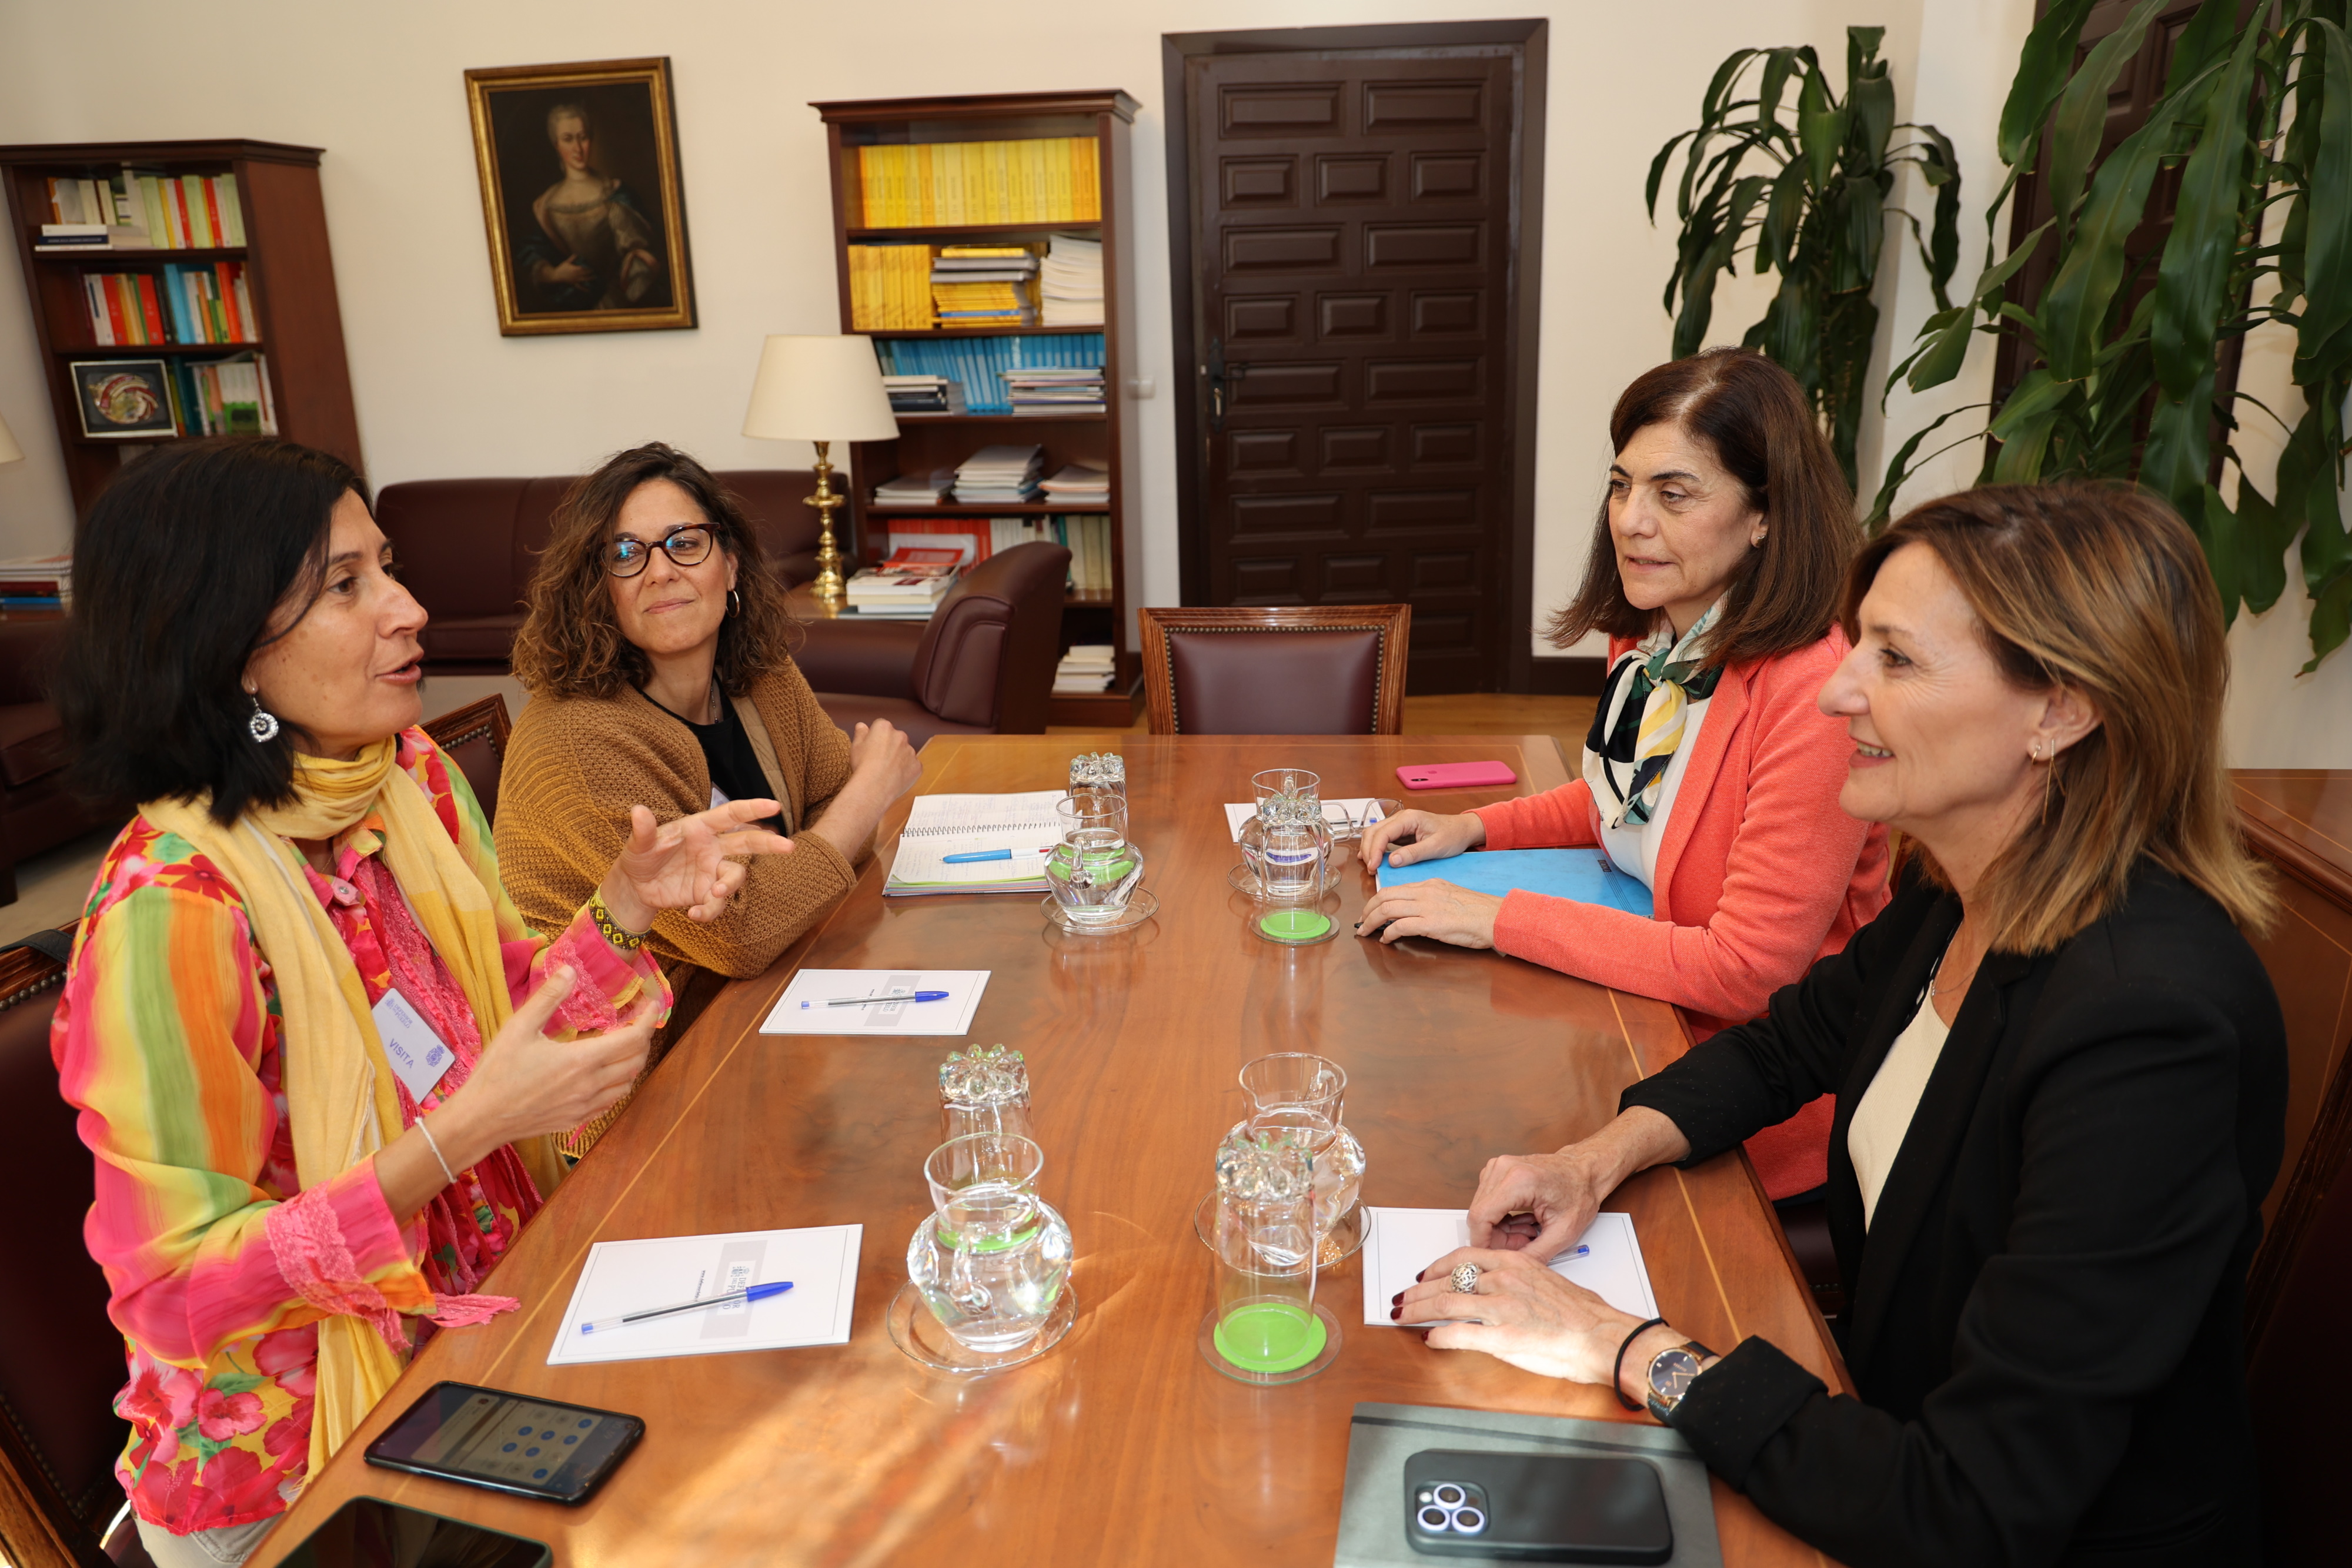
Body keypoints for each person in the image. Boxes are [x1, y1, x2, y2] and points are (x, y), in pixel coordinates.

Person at [1395, 485, 2283, 1567]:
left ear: (2061, 709)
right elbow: (1783, 1046)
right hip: (1875, 1438)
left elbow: (1972, 1505)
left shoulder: (2150, 1032)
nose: (1837, 693)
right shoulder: (1959, 895)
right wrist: (1593, 1158)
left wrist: (1622, 1346)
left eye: (1895, 659)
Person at [48, 439, 790, 1567]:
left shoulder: (406, 779)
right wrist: (457, 1138)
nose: (410, 608)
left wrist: (627, 909)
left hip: (477, 1327)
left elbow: (510, 1022)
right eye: (348, 586)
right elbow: (172, 1288)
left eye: (386, 566)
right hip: (299, 1470)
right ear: (230, 645)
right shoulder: (178, 907)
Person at [1358, 349, 1889, 1199]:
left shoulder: (1812, 690)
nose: (1630, 519)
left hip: (1752, 1093)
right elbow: (1631, 806)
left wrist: (1497, 918)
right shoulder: (1653, 639)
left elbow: (1746, 969)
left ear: (1764, 515)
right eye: (1621, 485)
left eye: (1673, 494)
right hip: (1642, 1006)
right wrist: (1476, 827)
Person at [496, 442, 923, 1136]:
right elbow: (742, 934)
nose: (659, 570)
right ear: (597, 589)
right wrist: (872, 791)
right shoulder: (576, 741)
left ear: (729, 565)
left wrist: (838, 822)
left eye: (684, 543)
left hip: (776, 1010)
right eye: (626, 554)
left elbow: (829, 809)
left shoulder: (757, 672)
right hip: (635, 1100)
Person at [517, 100, 666, 313]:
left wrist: (615, 297)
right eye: (568, 139)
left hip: (618, 303)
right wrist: (555, 274)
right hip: (568, 308)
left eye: (583, 137)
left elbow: (642, 255)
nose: (577, 148)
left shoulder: (614, 194)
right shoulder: (545, 205)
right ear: (556, 145)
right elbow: (530, 257)